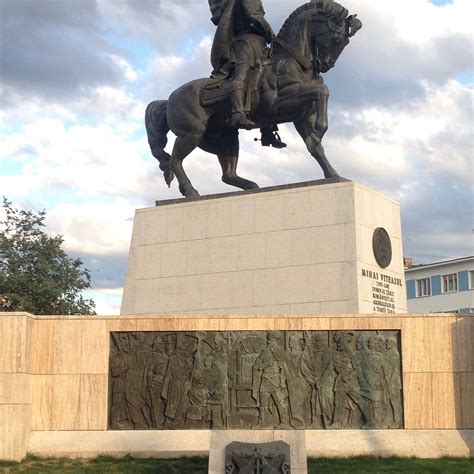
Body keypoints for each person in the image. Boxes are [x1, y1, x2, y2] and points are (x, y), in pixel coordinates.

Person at [209, 0, 287, 147]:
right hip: (246, 41)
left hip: (259, 42)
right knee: (242, 74)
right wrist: (268, 28)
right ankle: (237, 113)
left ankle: (267, 132)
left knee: (268, 81)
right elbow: (253, 15)